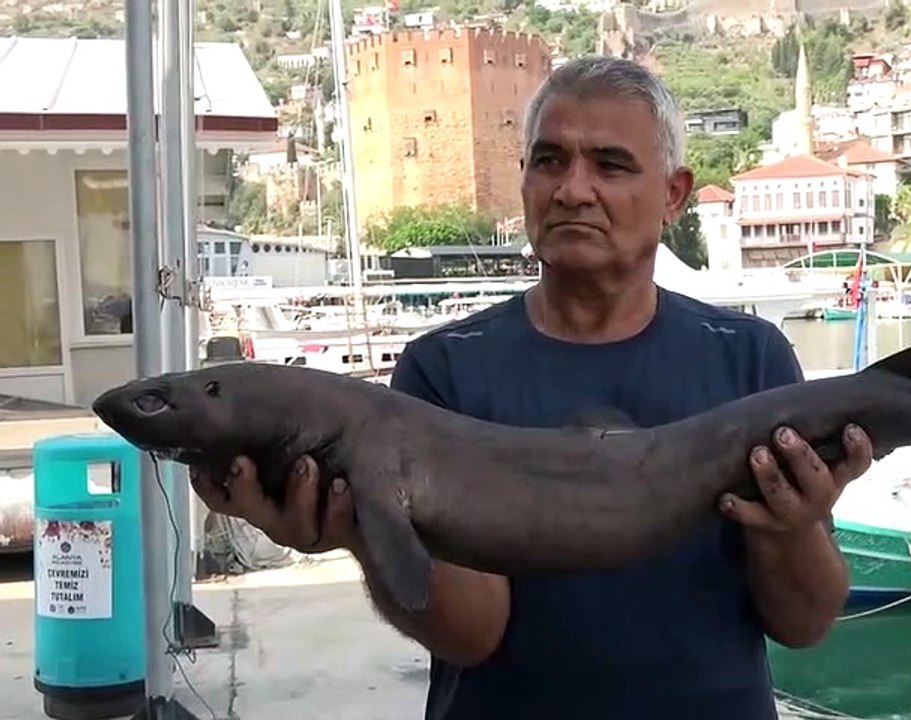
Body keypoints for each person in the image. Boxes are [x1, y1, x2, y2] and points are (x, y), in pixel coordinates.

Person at [190, 55, 871, 720]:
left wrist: (790, 527)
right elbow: (474, 634)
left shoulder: (749, 358)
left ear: (674, 194)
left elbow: (804, 623)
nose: (572, 189)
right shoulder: (444, 368)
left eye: (609, 164)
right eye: (549, 161)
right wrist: (367, 531)